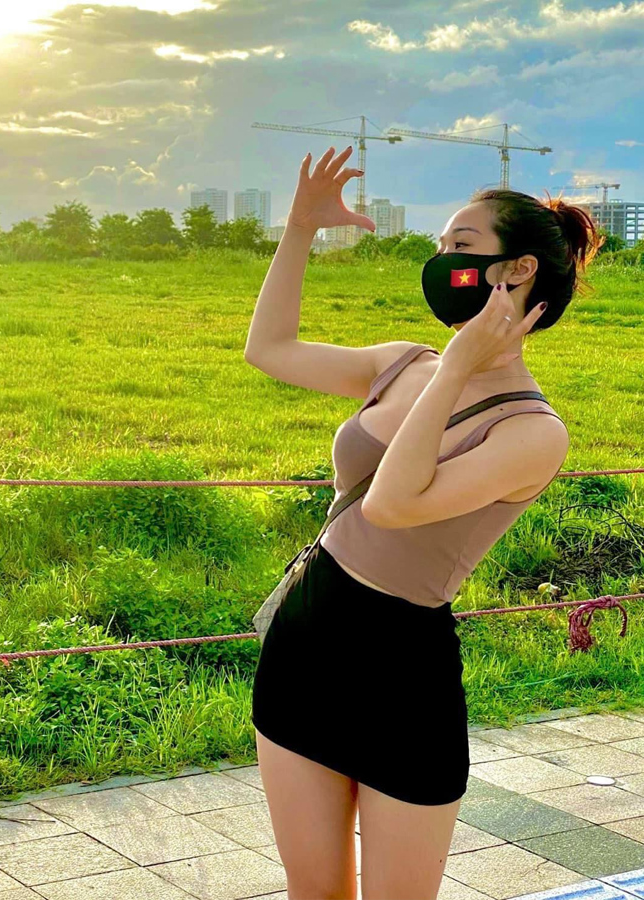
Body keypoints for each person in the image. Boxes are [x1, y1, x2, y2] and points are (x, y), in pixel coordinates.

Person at [244, 145, 602, 900]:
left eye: (460, 245)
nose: (441, 261)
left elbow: (393, 504)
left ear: (518, 270)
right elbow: (269, 349)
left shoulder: (532, 431)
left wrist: (461, 367)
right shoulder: (405, 363)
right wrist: (301, 227)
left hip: (401, 675)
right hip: (305, 641)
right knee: (314, 892)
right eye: (440, 245)